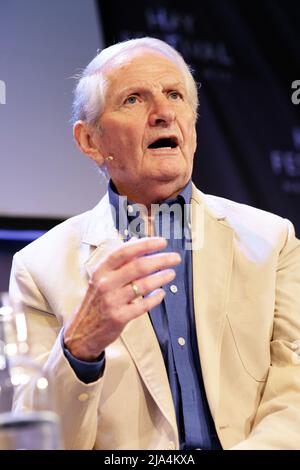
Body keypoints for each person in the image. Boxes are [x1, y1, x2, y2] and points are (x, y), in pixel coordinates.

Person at [9, 37, 300, 450]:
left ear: (193, 126)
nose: (164, 113)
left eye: (175, 95)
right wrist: (80, 348)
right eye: (133, 99)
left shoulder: (272, 241)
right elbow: (39, 442)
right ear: (91, 142)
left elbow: (294, 391)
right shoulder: (39, 269)